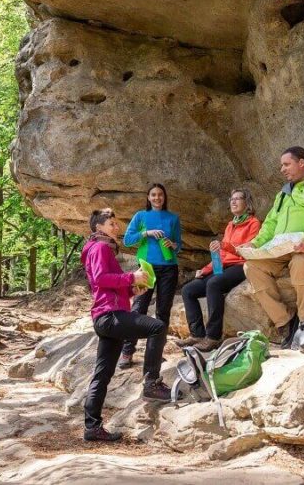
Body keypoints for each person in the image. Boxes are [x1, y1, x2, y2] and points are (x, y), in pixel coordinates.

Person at [81, 209, 173, 443]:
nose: (116, 227)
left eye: (116, 223)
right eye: (111, 223)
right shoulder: (100, 248)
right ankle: (152, 382)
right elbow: (101, 278)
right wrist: (132, 277)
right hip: (110, 316)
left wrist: (132, 290)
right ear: (98, 227)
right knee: (158, 327)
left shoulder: (99, 248)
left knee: (102, 374)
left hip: (105, 317)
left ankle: (92, 427)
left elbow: (107, 285)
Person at [243, 147, 304, 349]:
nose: (282, 169)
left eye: (286, 164)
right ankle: (285, 321)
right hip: (284, 246)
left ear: (302, 163)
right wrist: (255, 244)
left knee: (301, 262)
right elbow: (271, 223)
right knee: (252, 267)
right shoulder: (283, 193)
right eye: (281, 165)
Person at [176, 189, 262, 352]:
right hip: (224, 266)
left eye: (238, 199)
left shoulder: (253, 223)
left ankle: (213, 337)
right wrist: (205, 269)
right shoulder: (231, 225)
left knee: (214, 284)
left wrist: (224, 245)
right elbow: (221, 254)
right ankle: (197, 335)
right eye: (232, 199)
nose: (234, 202)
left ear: (247, 203)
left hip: (241, 265)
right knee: (188, 290)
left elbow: (248, 250)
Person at [120, 183, 182, 369]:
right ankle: (127, 351)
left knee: (163, 311)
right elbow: (127, 240)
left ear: (164, 197)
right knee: (139, 307)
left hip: (169, 267)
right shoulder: (141, 216)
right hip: (146, 267)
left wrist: (174, 245)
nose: (157, 198)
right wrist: (146, 233)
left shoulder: (173, 218)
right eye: (153, 195)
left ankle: (154, 353)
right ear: (148, 197)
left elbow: (179, 244)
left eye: (160, 195)